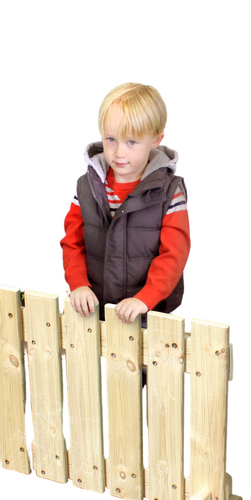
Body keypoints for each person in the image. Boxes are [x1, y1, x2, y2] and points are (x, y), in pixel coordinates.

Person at [61, 83, 190, 325]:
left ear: (155, 139)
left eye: (131, 142)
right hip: (93, 307)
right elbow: (72, 242)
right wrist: (78, 284)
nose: (119, 152)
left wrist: (146, 298)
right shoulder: (88, 187)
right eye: (111, 139)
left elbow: (174, 255)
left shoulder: (169, 192)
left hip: (147, 311)